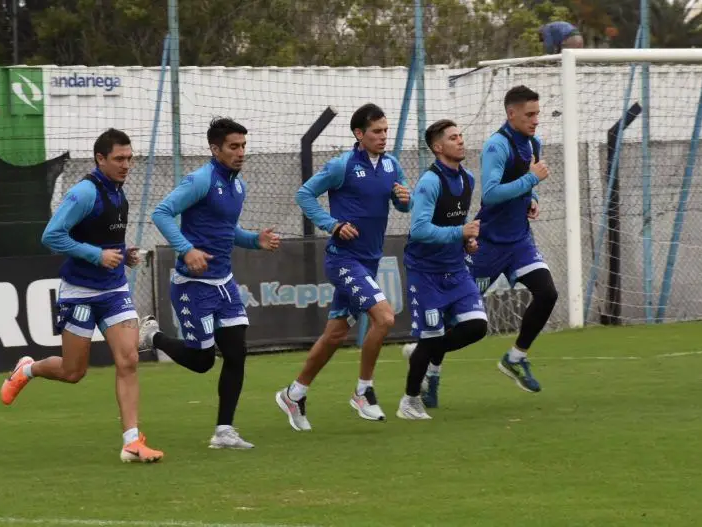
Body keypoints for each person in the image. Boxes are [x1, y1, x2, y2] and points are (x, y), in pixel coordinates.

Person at [0, 128, 164, 464]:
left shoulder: (119, 193)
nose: (126, 164)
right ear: (99, 159)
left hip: (114, 288)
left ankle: (132, 441)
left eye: (130, 158)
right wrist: (96, 255)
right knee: (74, 372)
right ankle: (27, 369)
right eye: (119, 158)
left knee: (129, 359)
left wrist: (123, 253)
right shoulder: (84, 193)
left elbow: (105, 240)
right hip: (80, 293)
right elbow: (52, 236)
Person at [138, 118, 280, 450]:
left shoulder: (237, 186)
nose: (241, 152)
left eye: (243, 145)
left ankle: (224, 431)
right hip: (193, 286)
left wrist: (254, 240)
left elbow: (226, 232)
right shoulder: (201, 180)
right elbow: (161, 213)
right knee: (202, 361)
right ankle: (150, 335)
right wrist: (186, 250)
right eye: (233, 146)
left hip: (224, 284)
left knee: (236, 353)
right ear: (215, 149)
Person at [275, 103, 411, 431]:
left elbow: (403, 203)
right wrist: (332, 224)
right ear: (359, 134)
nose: (383, 136)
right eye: (376, 131)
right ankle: (363, 391)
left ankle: (294, 394)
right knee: (385, 316)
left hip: (369, 261)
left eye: (385, 130)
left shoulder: (392, 165)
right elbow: (305, 194)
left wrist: (404, 199)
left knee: (335, 334)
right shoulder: (342, 165)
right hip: (343, 260)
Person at [397, 119, 488, 419]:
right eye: (453, 137)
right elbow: (420, 230)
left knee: (477, 326)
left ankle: (421, 353)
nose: (461, 141)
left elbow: (454, 227)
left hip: (455, 268)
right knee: (432, 336)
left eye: (460, 136)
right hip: (426, 272)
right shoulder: (430, 182)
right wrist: (459, 233)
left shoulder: (468, 179)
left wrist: (466, 244)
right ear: (438, 147)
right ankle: (409, 402)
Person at [469, 85, 558, 393]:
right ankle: (427, 361)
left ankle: (515, 357)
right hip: (488, 244)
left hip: (519, 241)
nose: (535, 120)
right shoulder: (496, 145)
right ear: (511, 114)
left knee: (547, 293)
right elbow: (491, 194)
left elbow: (521, 184)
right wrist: (532, 180)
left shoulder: (535, 143)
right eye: (529, 114)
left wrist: (530, 196)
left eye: (538, 114)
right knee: (458, 317)